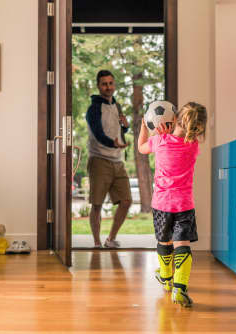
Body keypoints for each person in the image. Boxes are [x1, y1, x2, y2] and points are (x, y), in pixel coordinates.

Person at [137, 101, 207, 307]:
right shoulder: (194, 146)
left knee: (164, 241)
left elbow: (141, 148)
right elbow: (185, 137)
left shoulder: (159, 140)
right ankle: (179, 288)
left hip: (161, 204)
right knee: (182, 244)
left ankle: (166, 278)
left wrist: (144, 128)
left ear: (175, 118)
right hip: (184, 205)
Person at [85, 70, 132, 248]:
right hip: (99, 161)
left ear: (114, 85)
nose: (108, 87)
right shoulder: (93, 109)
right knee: (97, 204)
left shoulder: (117, 106)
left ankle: (110, 239)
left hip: (118, 161)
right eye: (104, 84)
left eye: (111, 83)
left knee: (126, 201)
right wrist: (113, 144)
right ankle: (97, 243)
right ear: (98, 86)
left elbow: (117, 131)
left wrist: (125, 128)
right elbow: (98, 134)